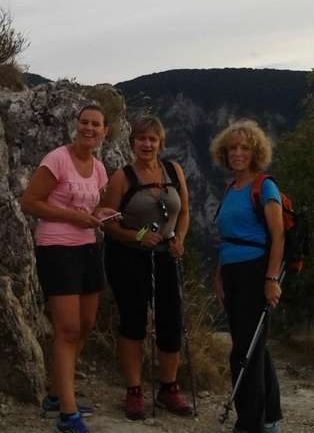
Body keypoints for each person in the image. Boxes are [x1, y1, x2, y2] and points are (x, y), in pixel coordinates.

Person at [21, 104, 119, 433]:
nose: (89, 128)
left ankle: (55, 394)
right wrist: (73, 217)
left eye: (96, 124)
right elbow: (30, 202)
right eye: (84, 122)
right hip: (57, 248)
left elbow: (91, 206)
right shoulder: (57, 159)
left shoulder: (100, 168)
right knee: (67, 329)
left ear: (105, 131)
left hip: (88, 247)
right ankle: (67, 414)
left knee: (87, 323)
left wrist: (103, 213)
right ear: (76, 126)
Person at [100, 115, 193, 420]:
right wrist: (138, 236)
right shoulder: (122, 178)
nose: (147, 144)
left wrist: (179, 238)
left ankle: (169, 388)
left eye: (152, 139)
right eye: (141, 138)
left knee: (171, 320)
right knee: (133, 321)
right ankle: (135, 391)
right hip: (127, 257)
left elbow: (184, 212)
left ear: (160, 143)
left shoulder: (174, 171)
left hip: (166, 254)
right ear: (132, 143)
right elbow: (107, 221)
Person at [210, 120, 284, 433]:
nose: (237, 153)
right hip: (232, 271)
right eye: (232, 148)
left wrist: (271, 279)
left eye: (244, 148)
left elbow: (278, 236)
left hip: (255, 271)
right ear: (224, 153)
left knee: (244, 351)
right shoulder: (231, 187)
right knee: (255, 346)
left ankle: (248, 423)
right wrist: (219, 275)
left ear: (255, 152)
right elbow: (227, 236)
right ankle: (269, 419)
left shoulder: (264, 186)